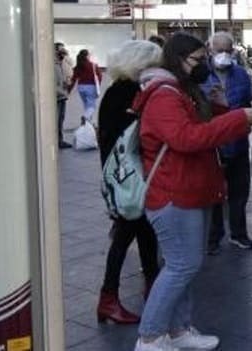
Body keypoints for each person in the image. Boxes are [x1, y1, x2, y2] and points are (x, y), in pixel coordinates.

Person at [132, 33, 252, 351]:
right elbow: (186, 138)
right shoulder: (164, 95)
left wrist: (222, 106)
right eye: (198, 59)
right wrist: (235, 118)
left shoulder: (182, 91)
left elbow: (201, 124)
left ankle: (178, 331)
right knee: (181, 266)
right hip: (174, 195)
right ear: (178, 60)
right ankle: (150, 337)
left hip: (190, 190)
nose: (205, 64)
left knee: (184, 265)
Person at [95, 39, 164, 325]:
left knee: (142, 234)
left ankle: (150, 290)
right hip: (131, 178)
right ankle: (110, 298)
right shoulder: (129, 93)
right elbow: (130, 138)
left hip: (125, 177)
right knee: (128, 236)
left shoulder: (117, 91)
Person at [201, 32, 252, 254]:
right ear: (210, 49)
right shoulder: (202, 75)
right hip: (213, 144)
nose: (223, 55)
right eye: (219, 50)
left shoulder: (241, 74)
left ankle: (238, 234)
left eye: (227, 50)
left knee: (239, 193)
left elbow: (250, 96)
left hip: (238, 143)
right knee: (213, 194)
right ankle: (213, 237)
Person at [73, 49, 102, 127]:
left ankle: (88, 124)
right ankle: (85, 118)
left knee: (86, 105)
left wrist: (69, 89)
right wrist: (98, 85)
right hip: (91, 87)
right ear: (87, 56)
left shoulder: (78, 66)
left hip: (80, 87)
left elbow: (74, 77)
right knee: (91, 106)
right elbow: (99, 76)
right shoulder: (93, 65)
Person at [55, 44, 74, 148]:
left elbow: (71, 64)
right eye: (60, 50)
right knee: (57, 120)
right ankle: (58, 140)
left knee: (61, 119)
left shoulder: (61, 63)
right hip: (58, 96)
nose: (63, 52)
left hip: (62, 96)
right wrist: (63, 91)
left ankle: (60, 140)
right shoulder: (54, 65)